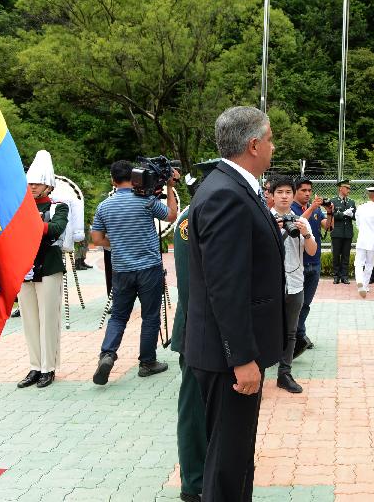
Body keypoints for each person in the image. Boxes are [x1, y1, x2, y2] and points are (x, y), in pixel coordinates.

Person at [185, 106, 285, 501]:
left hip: (228, 351)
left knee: (237, 455)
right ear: (254, 144)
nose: (274, 147)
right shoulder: (226, 193)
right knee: (227, 461)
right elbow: (225, 286)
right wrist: (242, 358)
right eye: (271, 138)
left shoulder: (234, 187)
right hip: (227, 357)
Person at [91, 159, 179, 385]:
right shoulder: (147, 201)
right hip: (149, 268)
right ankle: (147, 363)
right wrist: (170, 186)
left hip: (121, 270)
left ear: (113, 180)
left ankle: (108, 354)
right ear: (134, 177)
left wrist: (118, 245)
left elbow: (97, 239)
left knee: (119, 316)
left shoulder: (104, 206)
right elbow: (171, 215)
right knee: (150, 317)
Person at [170, 158, 219, 502]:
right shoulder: (191, 218)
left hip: (207, 331)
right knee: (193, 408)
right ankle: (194, 481)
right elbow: (191, 287)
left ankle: (208, 472)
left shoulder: (206, 213)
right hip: (197, 331)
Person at [16, 151, 69, 390]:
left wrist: (29, 222)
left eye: (38, 183)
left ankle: (49, 367)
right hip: (23, 268)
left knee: (48, 320)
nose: (33, 187)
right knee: (29, 320)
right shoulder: (18, 206)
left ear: (48, 184)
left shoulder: (59, 206)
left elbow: (56, 229)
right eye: (30, 183)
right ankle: (35, 366)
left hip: (48, 267)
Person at [270, 175, 317, 393]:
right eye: (280, 192)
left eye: (288, 192)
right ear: (271, 195)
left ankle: (284, 373)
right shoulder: (265, 219)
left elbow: (312, 251)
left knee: (290, 332)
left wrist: (306, 233)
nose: (284, 196)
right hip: (269, 285)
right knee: (266, 329)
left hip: (295, 284)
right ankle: (260, 371)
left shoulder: (301, 220)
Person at [290, 177, 328, 358]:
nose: (307, 194)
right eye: (303, 190)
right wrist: (312, 208)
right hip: (298, 264)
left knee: (306, 304)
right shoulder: (291, 209)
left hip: (315, 261)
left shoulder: (315, 210)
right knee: (295, 303)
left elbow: (327, 226)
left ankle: (300, 334)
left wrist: (330, 213)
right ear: (295, 191)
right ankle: (296, 337)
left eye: (309, 191)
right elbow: (296, 223)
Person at [354, 185, 374, 298]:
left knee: (358, 263)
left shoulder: (360, 208)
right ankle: (365, 285)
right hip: (372, 242)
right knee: (369, 264)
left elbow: (357, 225)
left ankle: (359, 281)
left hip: (362, 239)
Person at [329, 179, 356, 284]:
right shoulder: (333, 201)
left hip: (347, 232)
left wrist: (352, 215)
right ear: (341, 188)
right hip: (337, 232)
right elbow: (331, 215)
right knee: (336, 255)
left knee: (346, 255)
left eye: (349, 188)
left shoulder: (351, 202)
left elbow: (355, 217)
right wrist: (343, 214)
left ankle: (344, 276)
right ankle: (336, 275)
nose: (349, 190)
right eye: (347, 188)